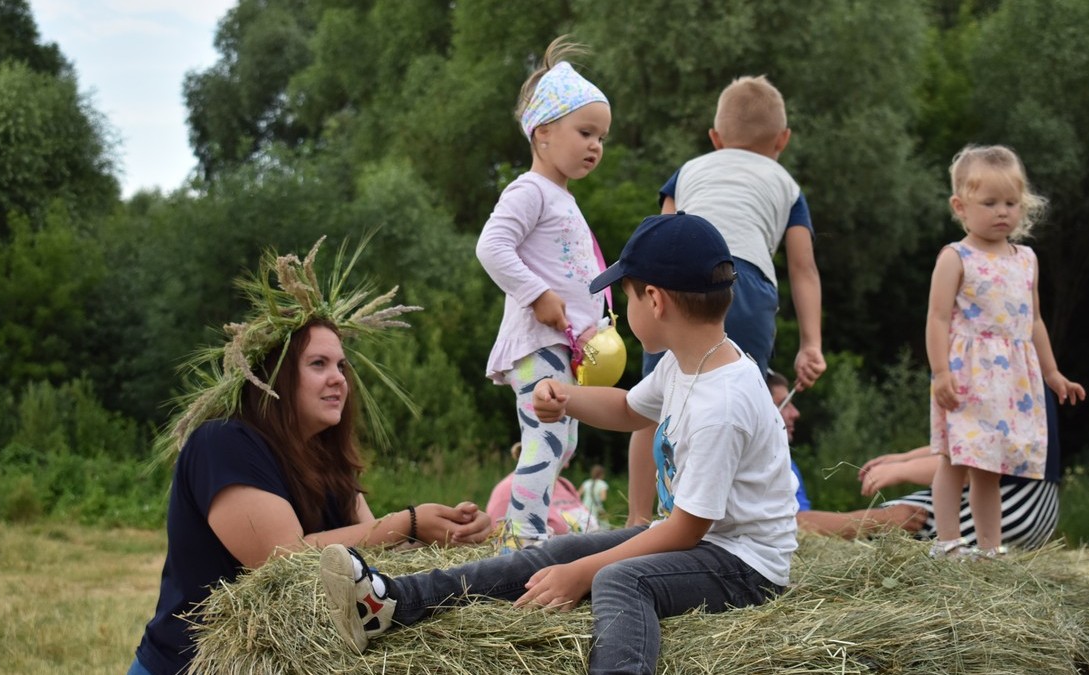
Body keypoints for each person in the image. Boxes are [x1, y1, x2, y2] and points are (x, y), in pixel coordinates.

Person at [320, 212, 798, 675]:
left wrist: (584, 573)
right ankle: (392, 601)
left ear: (654, 300)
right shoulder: (686, 361)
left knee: (616, 578)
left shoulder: (724, 404)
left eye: (625, 296)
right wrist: (568, 398)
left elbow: (685, 531)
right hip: (704, 541)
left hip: (744, 564)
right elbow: (631, 409)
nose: (622, 310)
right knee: (556, 552)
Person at [128, 239, 493, 675]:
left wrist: (444, 533)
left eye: (342, 366)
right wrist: (407, 522)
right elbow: (283, 559)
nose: (338, 379)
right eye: (318, 364)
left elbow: (368, 558)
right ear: (273, 377)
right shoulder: (222, 444)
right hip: (192, 665)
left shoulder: (328, 461)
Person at [625, 74, 825, 526]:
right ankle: (735, 518)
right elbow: (803, 268)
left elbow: (663, 241)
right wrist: (810, 344)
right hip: (747, 286)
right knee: (742, 396)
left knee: (651, 405)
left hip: (678, 282)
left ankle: (638, 521)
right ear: (783, 139)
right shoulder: (786, 185)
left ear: (715, 138)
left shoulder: (691, 170)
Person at [475, 35, 612, 550]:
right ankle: (522, 542)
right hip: (537, 342)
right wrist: (537, 295)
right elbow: (491, 247)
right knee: (547, 438)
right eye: (585, 131)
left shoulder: (562, 198)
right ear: (543, 133)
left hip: (562, 348)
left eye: (601, 136)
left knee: (563, 442)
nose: (595, 144)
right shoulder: (530, 190)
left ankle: (538, 529)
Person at [925, 144, 1084, 559]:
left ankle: (990, 549)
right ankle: (947, 543)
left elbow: (1033, 323)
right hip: (966, 376)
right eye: (990, 202)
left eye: (1012, 203)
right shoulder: (955, 257)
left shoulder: (1026, 259)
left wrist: (1052, 374)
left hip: (1011, 380)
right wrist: (940, 373)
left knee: (990, 468)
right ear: (960, 206)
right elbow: (938, 319)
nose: (1003, 212)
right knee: (955, 460)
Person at [793, 390, 1064, 550]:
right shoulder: (1013, 361)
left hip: (1015, 504)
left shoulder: (988, 363)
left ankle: (782, 525)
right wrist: (904, 459)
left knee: (901, 518)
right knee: (897, 517)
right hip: (1033, 503)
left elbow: (974, 464)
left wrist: (903, 470)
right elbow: (958, 446)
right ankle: (786, 524)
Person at [487, 442, 600, 535]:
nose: (566, 465)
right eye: (561, 457)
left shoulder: (564, 484)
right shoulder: (509, 491)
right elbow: (503, 547)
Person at [765, 370, 811, 511]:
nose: (795, 413)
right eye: (784, 404)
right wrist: (876, 519)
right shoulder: (763, 466)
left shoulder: (787, 462)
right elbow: (798, 522)